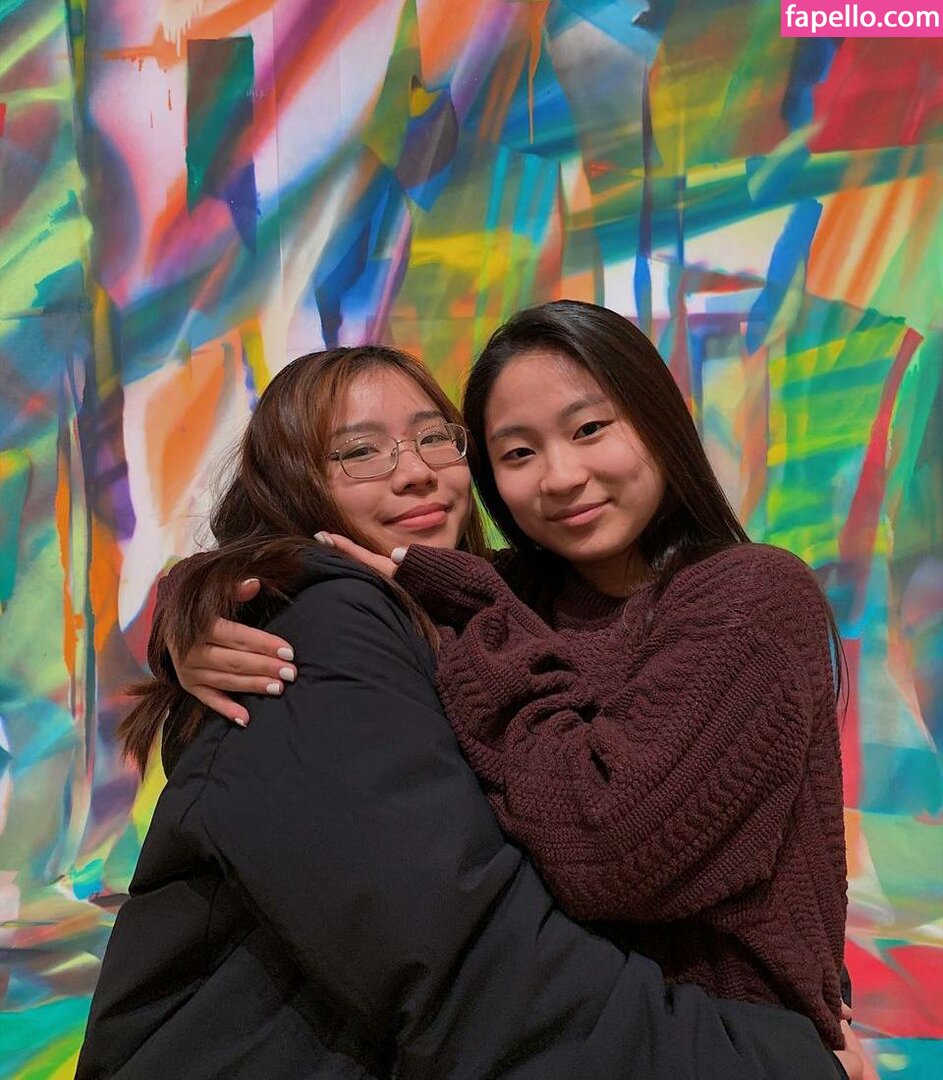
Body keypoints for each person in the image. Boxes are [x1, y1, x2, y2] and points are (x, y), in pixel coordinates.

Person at [115, 343, 866, 1079]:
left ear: (657, 420)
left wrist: (785, 1057)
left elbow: (609, 851)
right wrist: (203, 600)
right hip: (634, 1043)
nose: (562, 475)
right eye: (517, 452)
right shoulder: (486, 607)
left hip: (715, 1035)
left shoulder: (743, 595)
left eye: (589, 428)